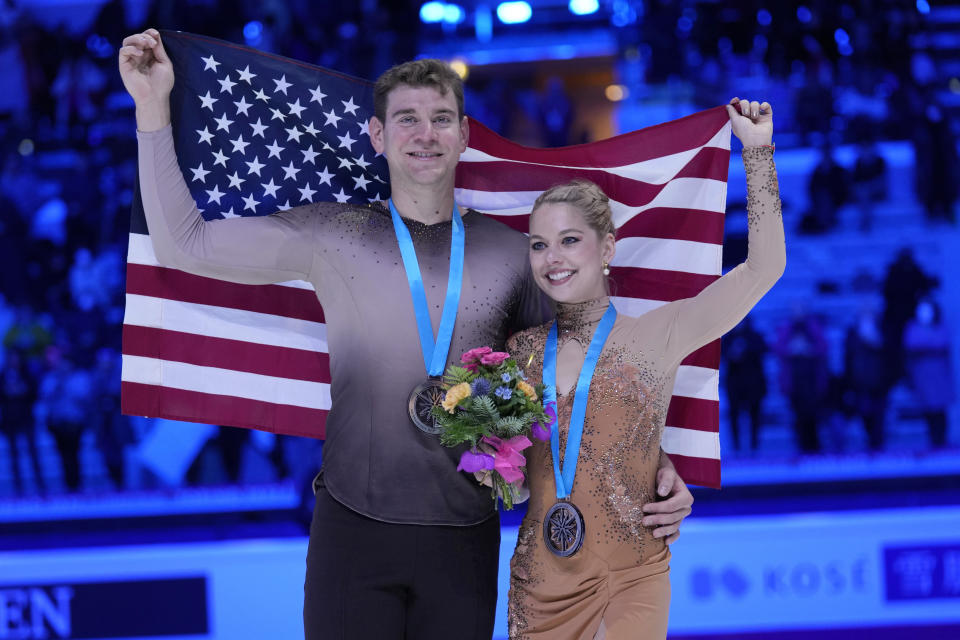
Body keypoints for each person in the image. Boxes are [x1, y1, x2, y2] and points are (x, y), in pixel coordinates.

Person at [118, 29, 693, 639]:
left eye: (442, 118)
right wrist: (151, 107)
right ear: (377, 136)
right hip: (352, 532)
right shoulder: (332, 234)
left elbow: (582, 376)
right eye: (408, 119)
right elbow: (186, 243)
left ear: (465, 135)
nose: (425, 135)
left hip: (463, 542)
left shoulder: (510, 254)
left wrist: (655, 463)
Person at [505, 97, 785, 639]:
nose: (552, 258)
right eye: (539, 245)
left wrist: (758, 154)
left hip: (633, 577)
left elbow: (764, 268)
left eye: (569, 241)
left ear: (607, 247)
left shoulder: (660, 333)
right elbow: (514, 486)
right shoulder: (516, 352)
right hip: (539, 584)